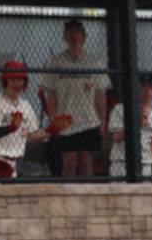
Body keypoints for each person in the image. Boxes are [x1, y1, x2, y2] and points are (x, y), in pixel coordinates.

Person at [41, 19, 111, 176]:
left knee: (86, 162)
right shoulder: (55, 62)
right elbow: (49, 93)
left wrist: (103, 121)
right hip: (66, 120)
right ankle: (67, 197)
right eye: (70, 33)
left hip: (89, 120)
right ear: (65, 38)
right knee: (69, 163)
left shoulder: (94, 63)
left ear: (84, 38)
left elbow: (101, 94)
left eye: (77, 32)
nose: (73, 36)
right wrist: (53, 118)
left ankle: (87, 197)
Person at [0, 61, 68, 178]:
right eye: (13, 79)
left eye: (20, 79)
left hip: (12, 163)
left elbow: (31, 136)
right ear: (5, 80)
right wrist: (11, 128)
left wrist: (52, 129)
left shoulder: (26, 106)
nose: (17, 83)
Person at [107, 75, 152, 177]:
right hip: (122, 163)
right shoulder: (120, 109)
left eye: (151, 87)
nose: (147, 90)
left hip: (146, 164)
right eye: (143, 85)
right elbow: (116, 137)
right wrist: (136, 124)